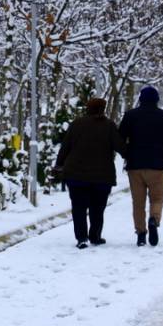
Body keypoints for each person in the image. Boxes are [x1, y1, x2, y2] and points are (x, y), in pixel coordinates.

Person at [54, 97, 128, 249]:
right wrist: (133, 156)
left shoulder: (76, 124)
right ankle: (95, 235)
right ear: (103, 109)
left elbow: (65, 146)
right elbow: (120, 147)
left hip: (76, 175)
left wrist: (59, 164)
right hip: (102, 176)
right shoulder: (109, 126)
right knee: (98, 208)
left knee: (78, 207)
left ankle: (81, 237)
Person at [119, 86, 163, 247]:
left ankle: (141, 234)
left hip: (135, 166)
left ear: (140, 99)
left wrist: (127, 154)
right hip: (157, 165)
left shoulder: (130, 116)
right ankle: (154, 219)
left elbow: (120, 138)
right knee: (157, 198)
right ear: (157, 99)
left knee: (138, 202)